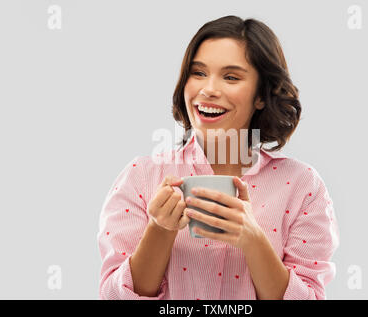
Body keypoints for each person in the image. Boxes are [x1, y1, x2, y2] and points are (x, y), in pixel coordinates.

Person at [97, 15, 339, 300]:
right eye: (198, 73)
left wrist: (253, 240)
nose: (208, 89)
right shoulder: (141, 176)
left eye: (231, 77)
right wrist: (159, 230)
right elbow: (112, 296)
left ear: (261, 95)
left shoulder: (302, 186)